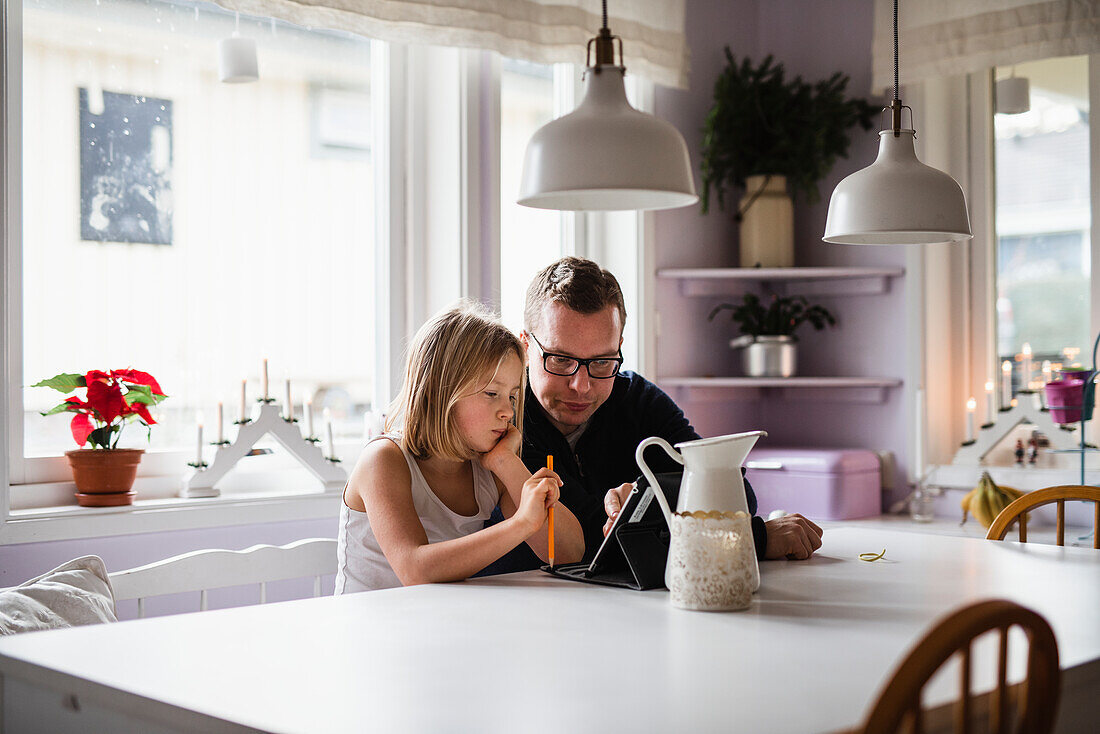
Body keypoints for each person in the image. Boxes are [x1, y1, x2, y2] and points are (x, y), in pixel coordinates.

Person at [485, 258, 822, 574]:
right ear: (525, 346)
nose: (582, 386)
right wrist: (753, 539)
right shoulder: (501, 422)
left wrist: (645, 496)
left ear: (619, 347)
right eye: (560, 359)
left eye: (602, 362)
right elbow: (587, 543)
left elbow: (732, 493)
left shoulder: (637, 398)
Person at [336, 302, 584, 593]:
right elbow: (415, 569)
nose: (508, 411)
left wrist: (507, 463)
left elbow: (569, 554)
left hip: (434, 625)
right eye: (492, 393)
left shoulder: (487, 467)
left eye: (513, 397)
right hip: (366, 630)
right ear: (439, 391)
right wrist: (521, 523)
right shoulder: (383, 460)